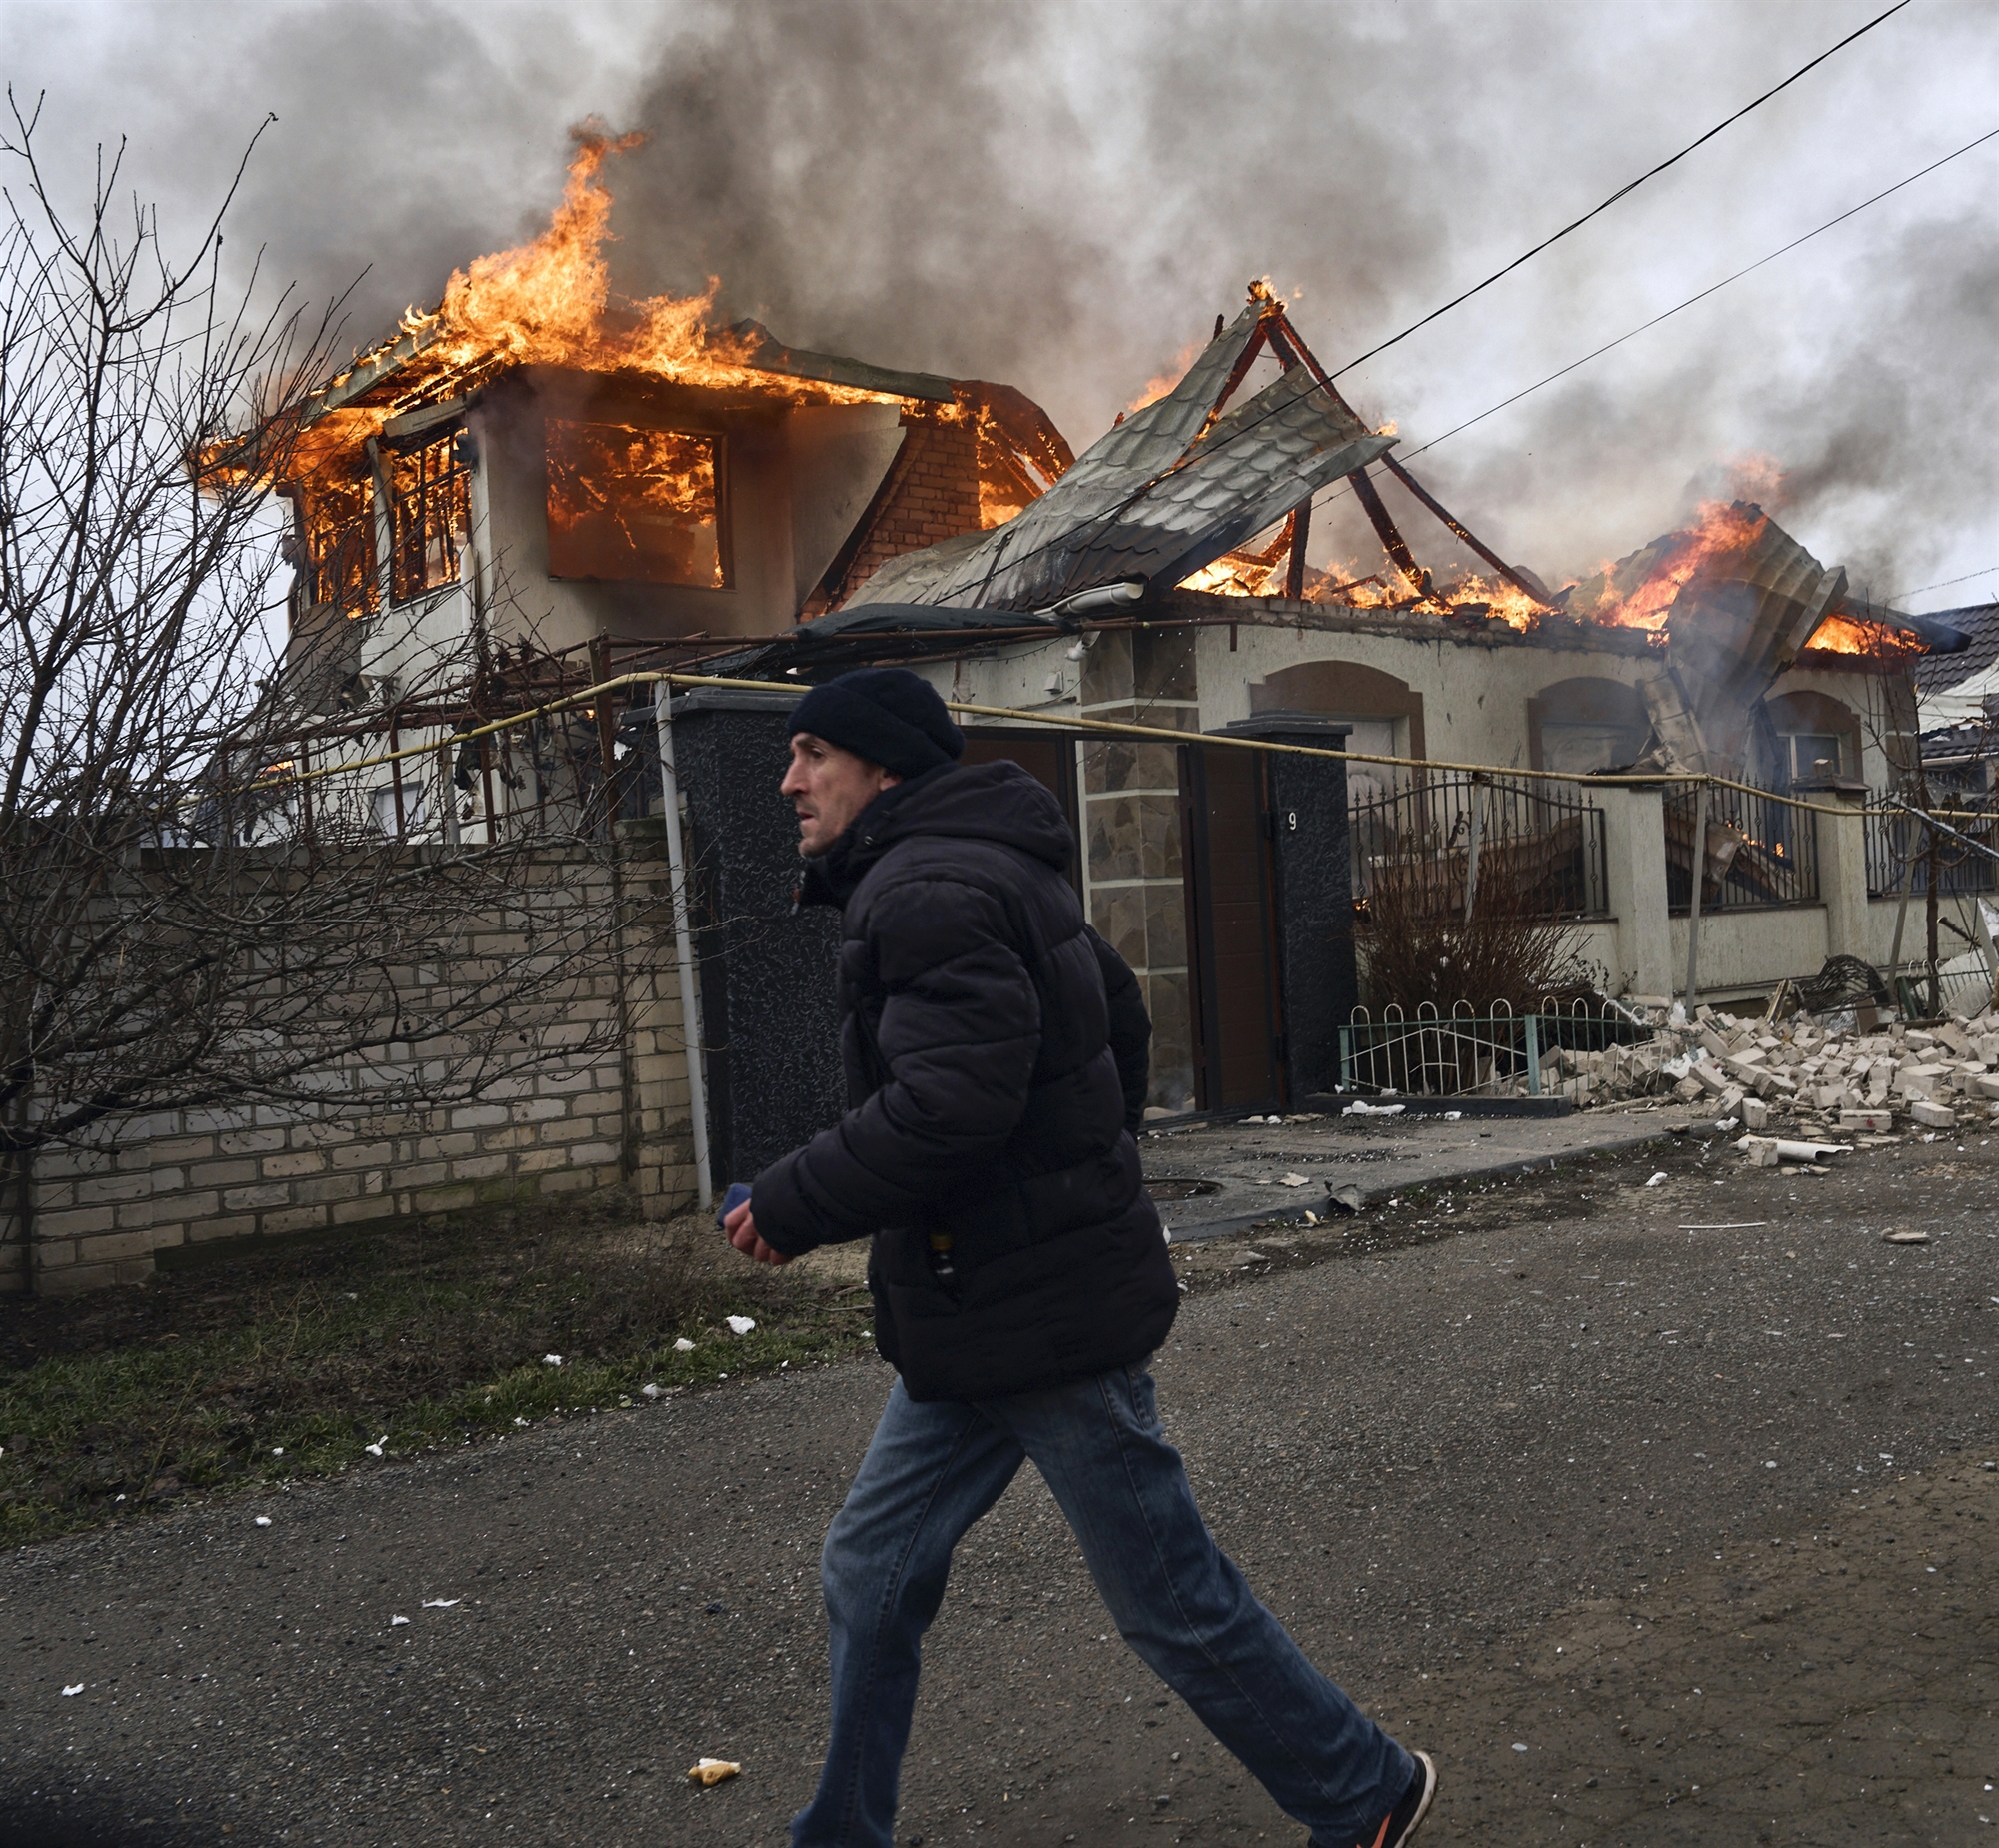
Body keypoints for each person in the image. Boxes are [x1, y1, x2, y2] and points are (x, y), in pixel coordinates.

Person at [723, 666, 1436, 1848]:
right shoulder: (987, 863)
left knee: (1168, 1599)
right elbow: (1118, 1019)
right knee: (869, 1568)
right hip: (977, 1300)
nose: (788, 780)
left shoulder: (927, 888)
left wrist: (792, 1201)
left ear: (881, 768)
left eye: (811, 753)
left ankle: (1364, 1789)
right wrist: (1079, 1164)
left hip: (1035, 1310)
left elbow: (947, 1106)